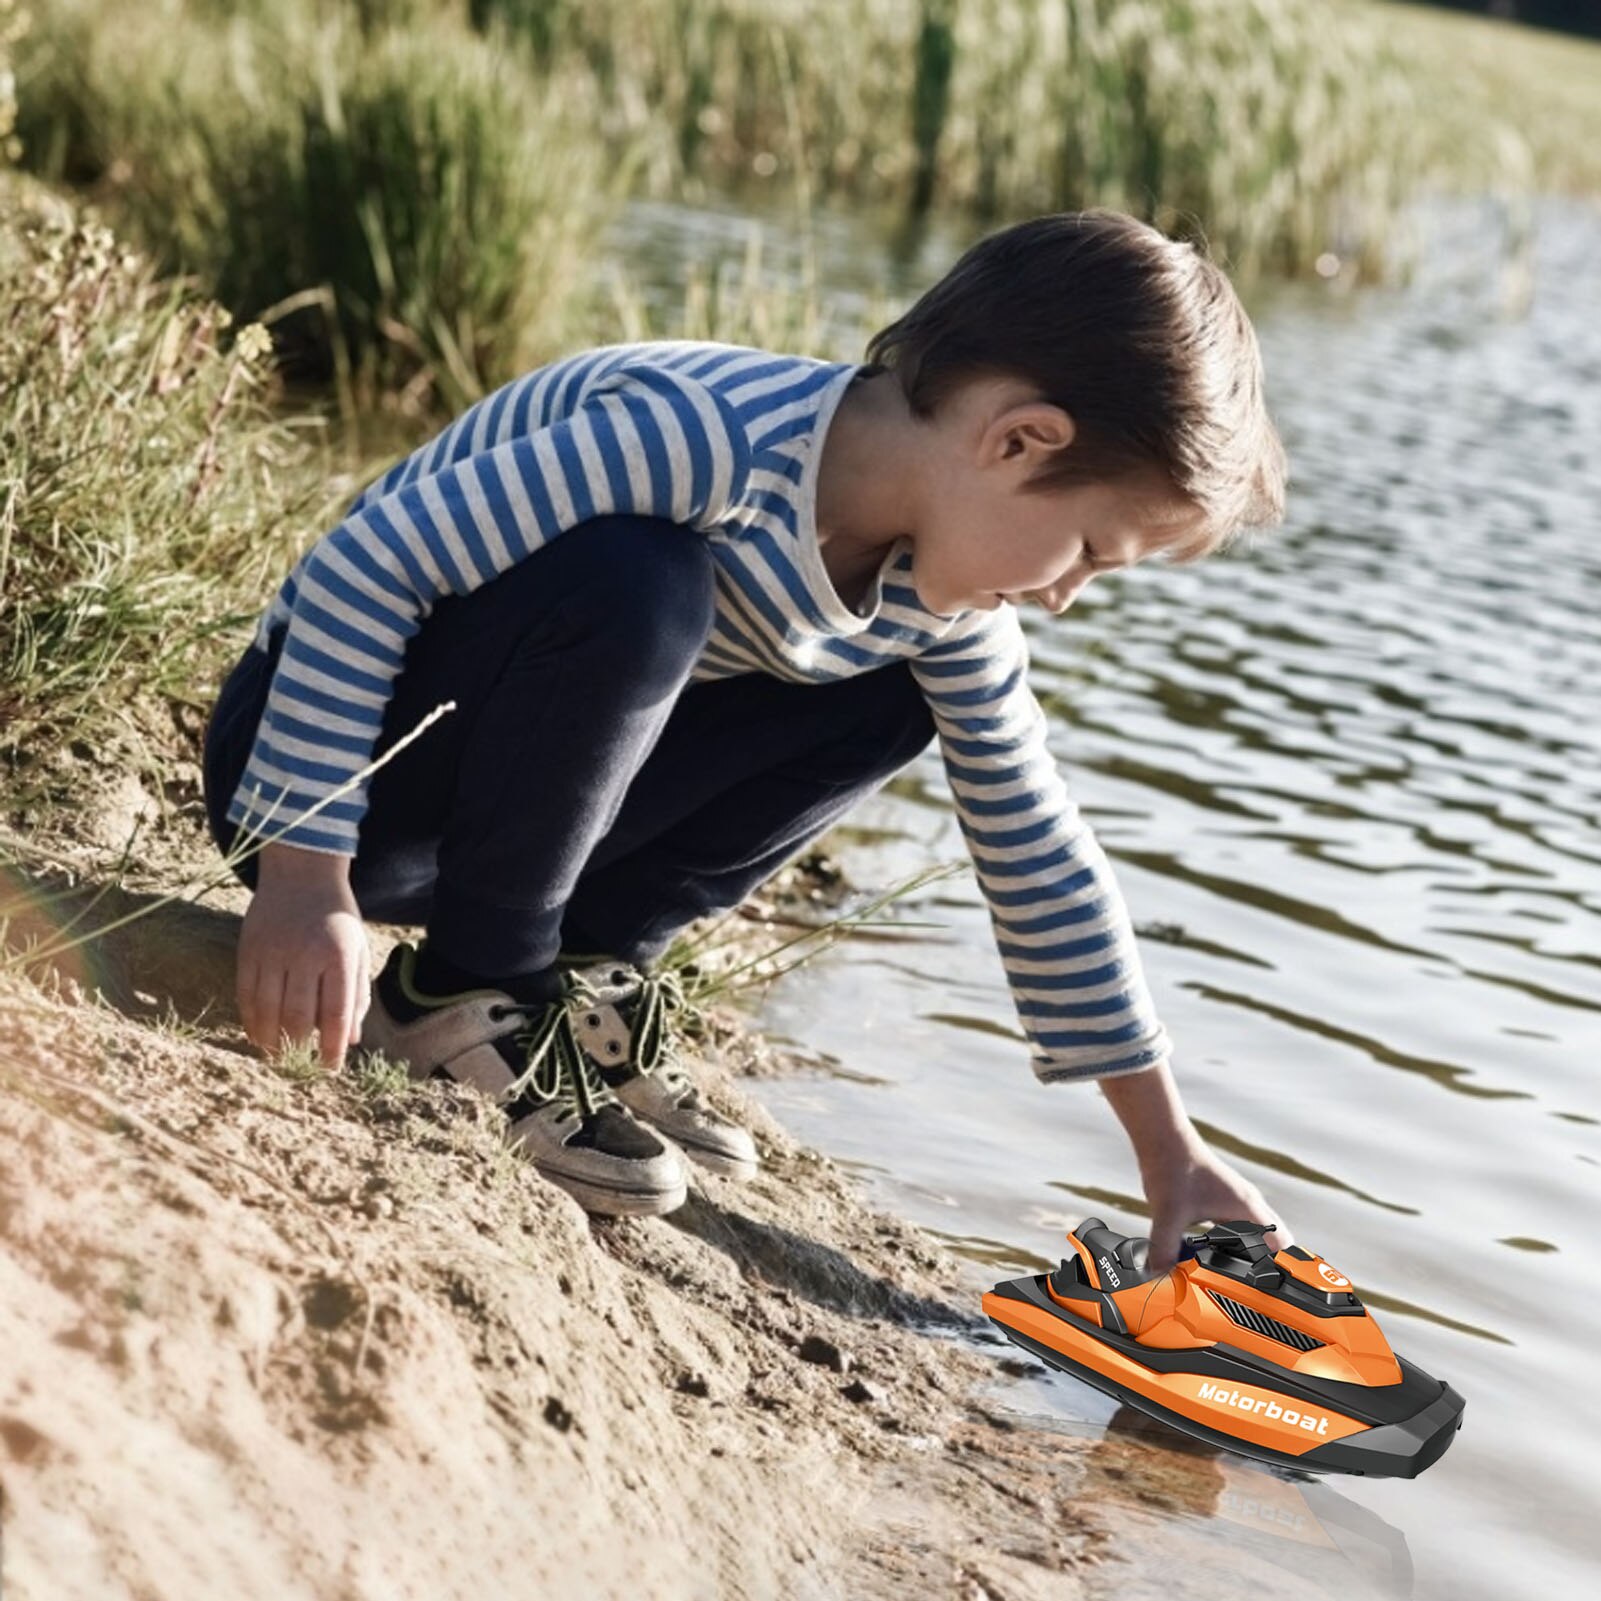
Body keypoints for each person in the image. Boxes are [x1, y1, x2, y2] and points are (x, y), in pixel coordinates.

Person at [202, 209, 1294, 1261]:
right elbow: (364, 569)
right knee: (644, 582)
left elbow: (1036, 849)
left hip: (486, 829)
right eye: (1090, 550)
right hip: (329, 775)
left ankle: (583, 973)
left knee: (891, 691)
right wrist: (305, 875)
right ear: (1015, 441)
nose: (1066, 595)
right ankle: (463, 990)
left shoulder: (942, 602)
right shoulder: (703, 437)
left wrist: (1168, 1150)